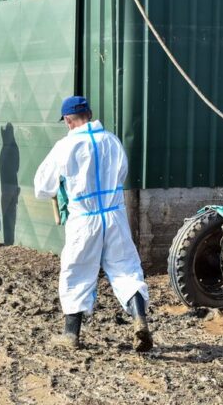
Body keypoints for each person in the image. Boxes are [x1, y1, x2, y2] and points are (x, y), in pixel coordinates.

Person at [33, 95, 152, 352]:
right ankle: (139, 319)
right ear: (89, 113)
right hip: (114, 215)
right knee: (126, 269)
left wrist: (62, 188)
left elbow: (42, 187)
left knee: (76, 272)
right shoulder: (112, 140)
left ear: (68, 120)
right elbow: (121, 173)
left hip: (84, 220)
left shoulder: (65, 146)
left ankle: (70, 335)